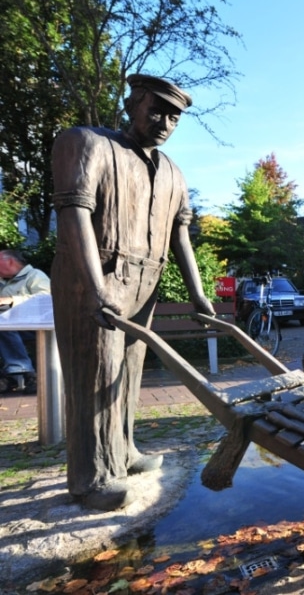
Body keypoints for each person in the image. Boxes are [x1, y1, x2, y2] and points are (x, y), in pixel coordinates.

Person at [51, 74, 215, 511]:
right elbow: (74, 214)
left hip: (146, 282)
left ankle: (123, 450)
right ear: (132, 105)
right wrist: (94, 286)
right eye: (156, 109)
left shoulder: (173, 174)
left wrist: (198, 295)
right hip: (96, 275)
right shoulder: (87, 143)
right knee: (95, 375)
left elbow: (181, 238)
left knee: (127, 375)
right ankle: (91, 477)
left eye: (174, 117)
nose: (165, 121)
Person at [0, 250, 51, 393]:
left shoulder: (34, 275)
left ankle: (21, 371)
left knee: (4, 326)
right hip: (11, 327)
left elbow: (45, 298)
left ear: (9, 261)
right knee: (4, 326)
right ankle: (12, 375)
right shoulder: (3, 282)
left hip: (34, 325)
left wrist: (12, 301)